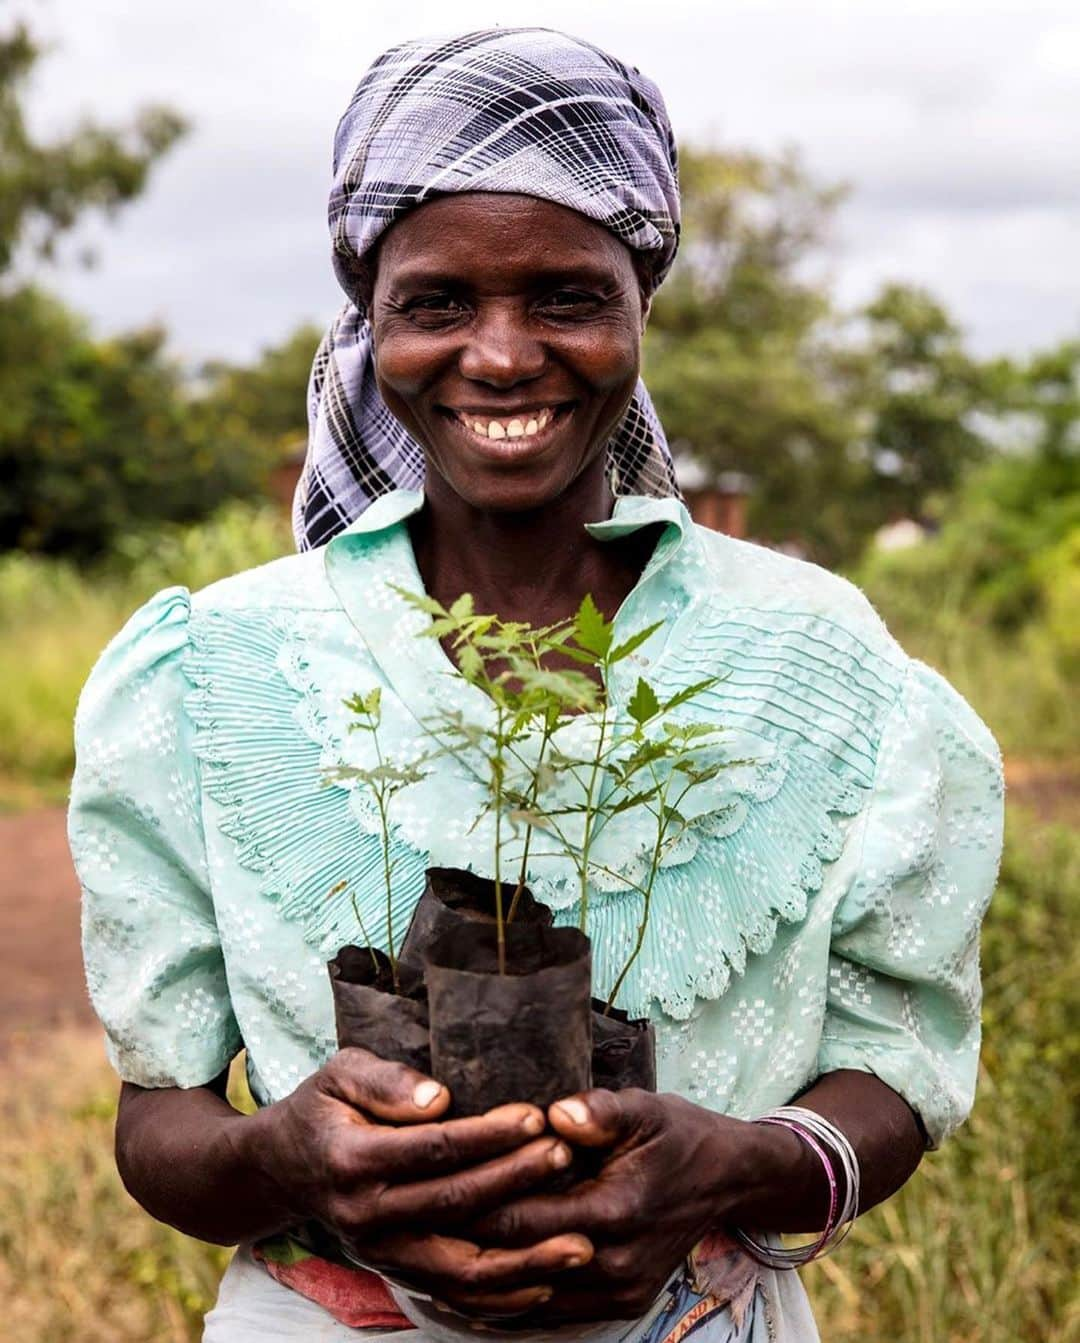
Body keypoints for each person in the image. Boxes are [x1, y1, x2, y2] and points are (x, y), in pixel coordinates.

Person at [68, 27, 1004, 1343]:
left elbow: (895, 1073)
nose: (503, 358)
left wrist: (740, 1158)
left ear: (639, 310)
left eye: (566, 295)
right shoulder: (213, 673)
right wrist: (287, 1154)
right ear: (370, 320)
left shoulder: (821, 660)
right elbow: (158, 1119)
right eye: (438, 301)